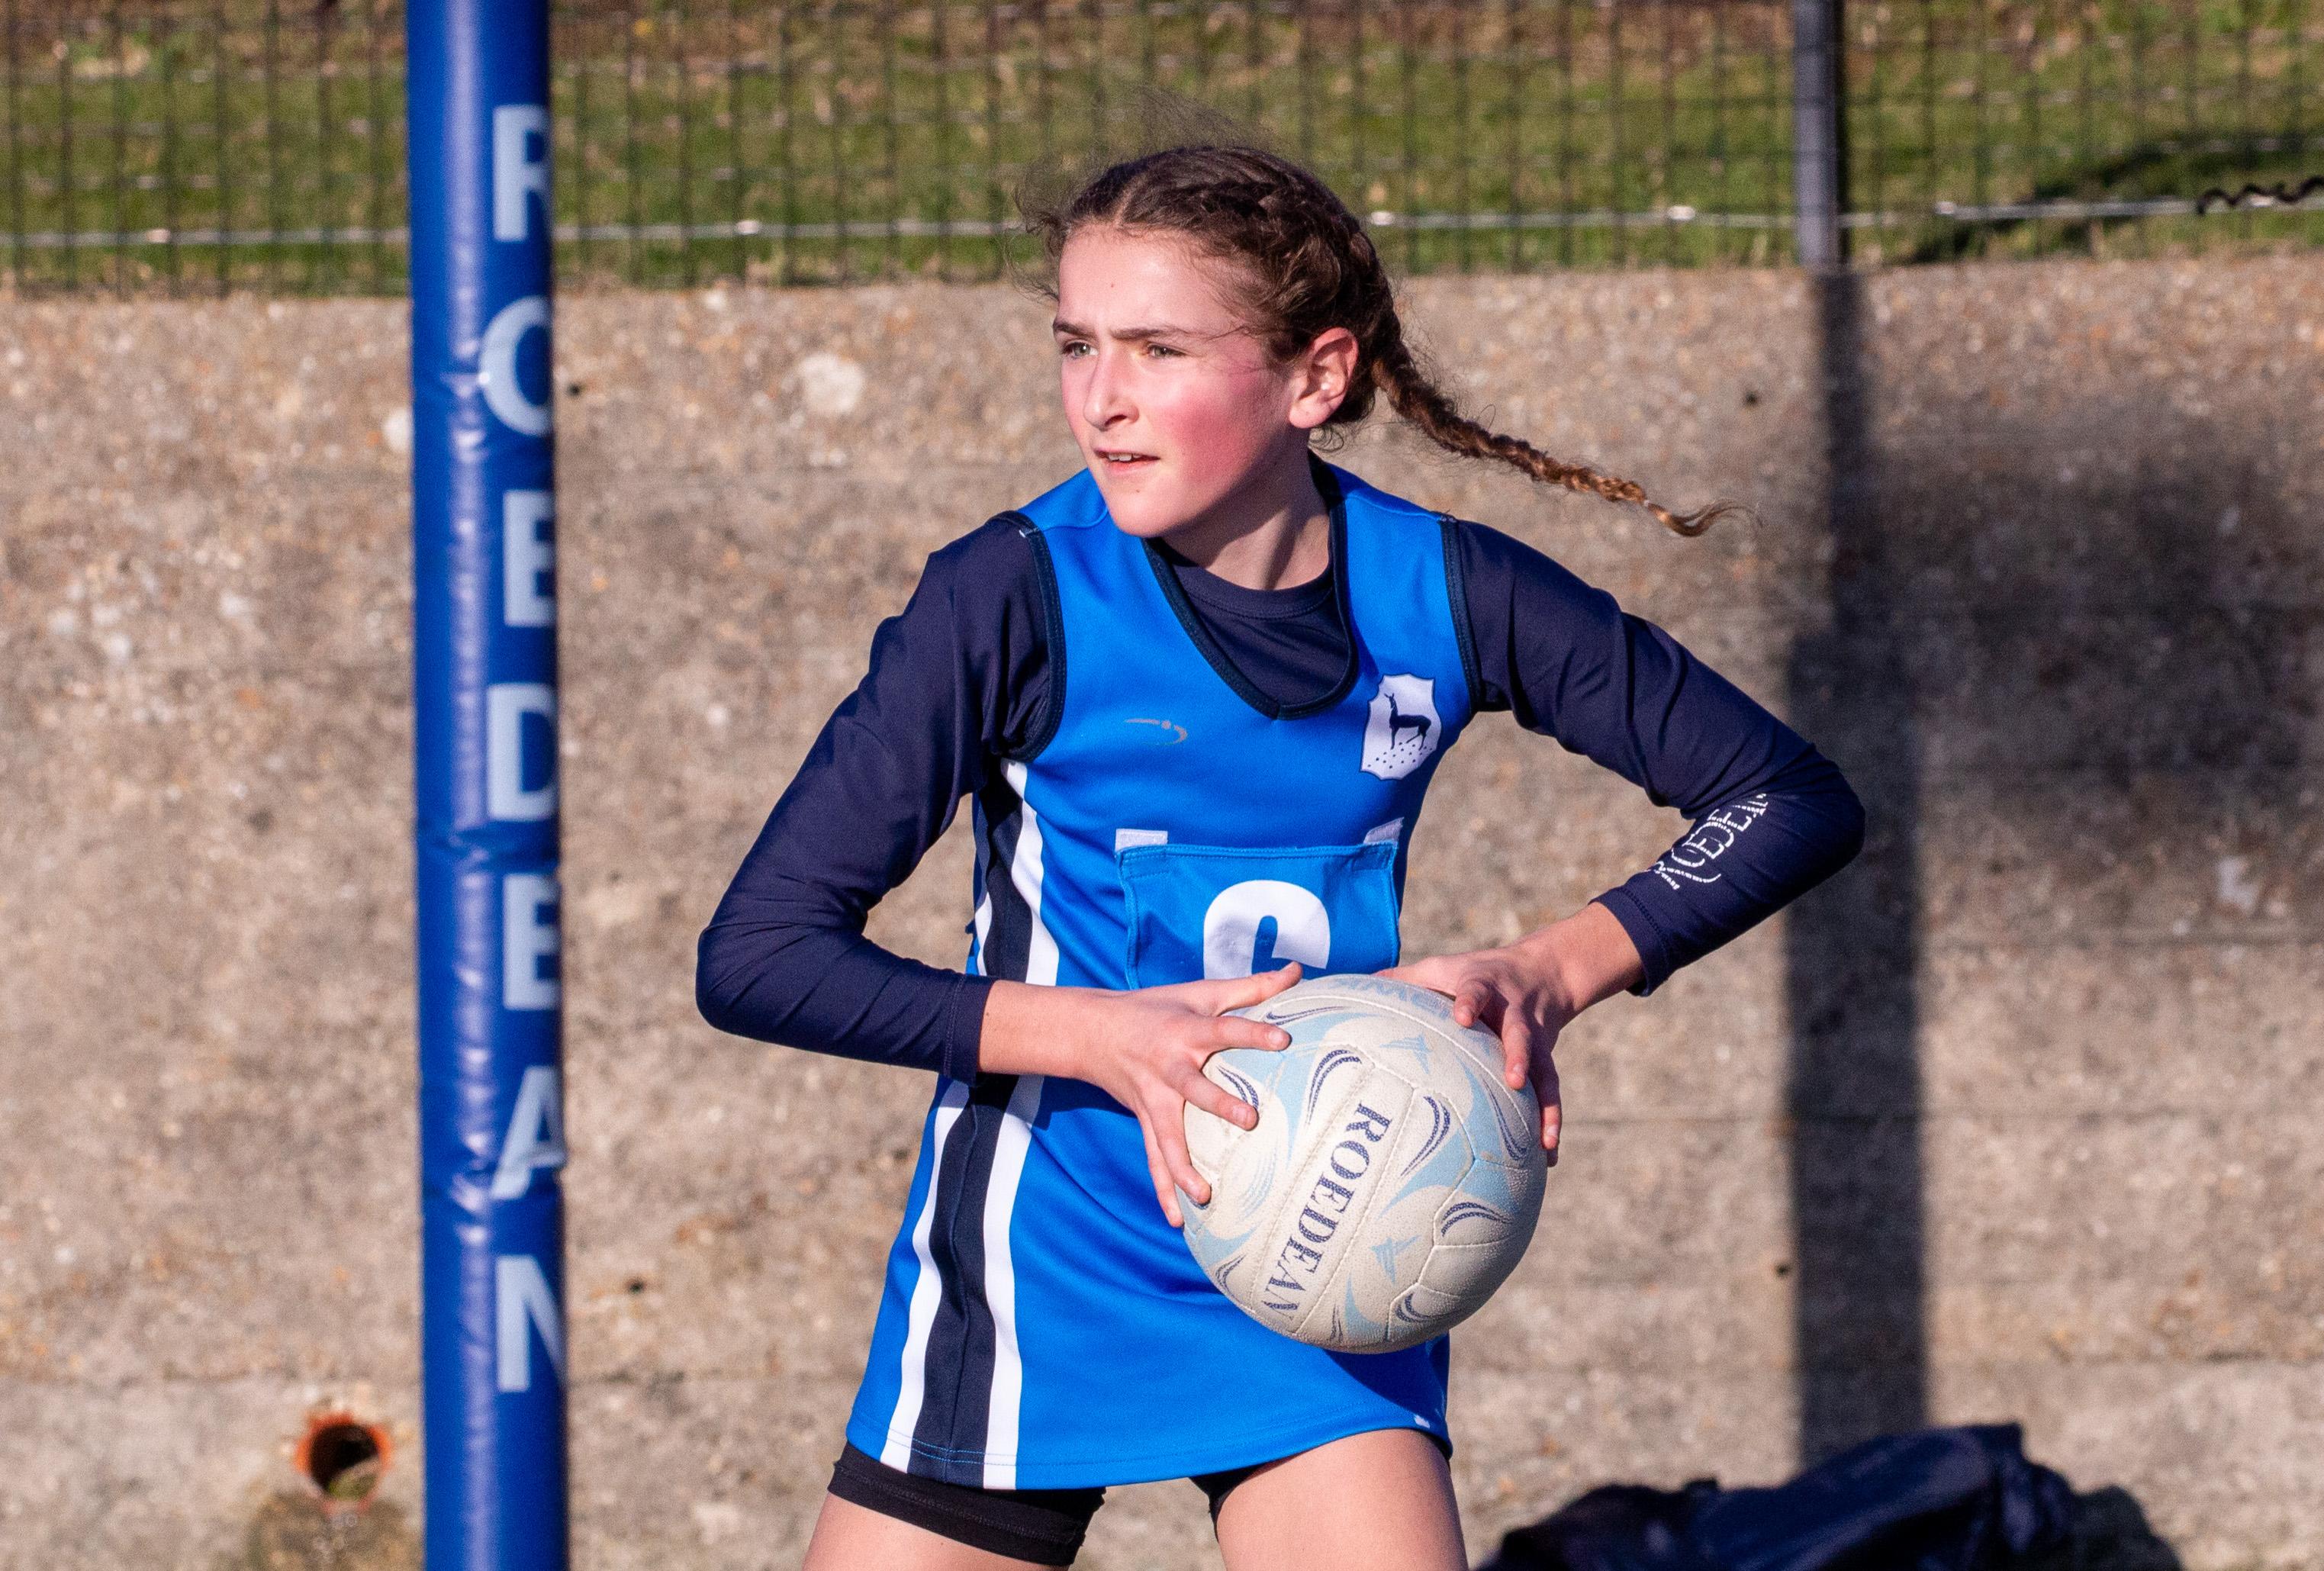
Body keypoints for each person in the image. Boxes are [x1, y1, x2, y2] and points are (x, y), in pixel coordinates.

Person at [697, 144, 1864, 1571]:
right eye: (1076, 344)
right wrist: (1105, 1037)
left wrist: (1550, 972)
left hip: (1332, 1233)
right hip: (1050, 1248)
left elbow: (1787, 798)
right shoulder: (1012, 594)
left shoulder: (1445, 591)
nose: (1101, 397)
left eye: (1159, 349)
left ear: (1316, 378)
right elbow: (758, 957)